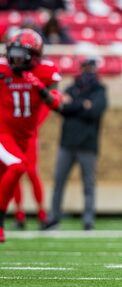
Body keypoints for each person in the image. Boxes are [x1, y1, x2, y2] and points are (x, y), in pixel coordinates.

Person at [0, 28, 63, 243]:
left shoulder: (45, 71)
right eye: (13, 53)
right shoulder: (2, 68)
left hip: (25, 135)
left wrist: (41, 89)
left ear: (35, 56)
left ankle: (35, 214)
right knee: (18, 167)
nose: (16, 59)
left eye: (22, 54)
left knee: (12, 174)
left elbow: (56, 103)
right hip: (3, 132)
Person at [43, 57, 107, 231]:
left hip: (87, 145)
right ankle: (53, 217)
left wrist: (74, 104)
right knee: (59, 182)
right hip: (67, 143)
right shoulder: (72, 87)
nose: (88, 70)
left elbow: (95, 111)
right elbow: (61, 108)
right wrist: (82, 105)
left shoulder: (99, 89)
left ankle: (88, 220)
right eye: (85, 66)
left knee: (88, 184)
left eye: (90, 67)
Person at [13, 104, 50, 230]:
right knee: (15, 173)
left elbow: (46, 104)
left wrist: (33, 124)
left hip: (29, 138)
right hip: (13, 137)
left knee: (32, 173)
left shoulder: (31, 85)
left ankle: (42, 215)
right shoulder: (8, 86)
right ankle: (19, 215)